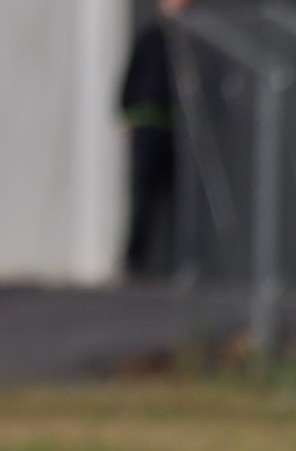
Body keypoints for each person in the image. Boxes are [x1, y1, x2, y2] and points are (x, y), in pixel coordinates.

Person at [119, 0, 188, 276]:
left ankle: (180, 263)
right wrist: (128, 117)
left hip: (177, 131)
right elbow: (130, 81)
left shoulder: (188, 41)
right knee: (143, 197)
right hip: (149, 129)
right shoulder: (150, 39)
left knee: (178, 200)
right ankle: (134, 261)